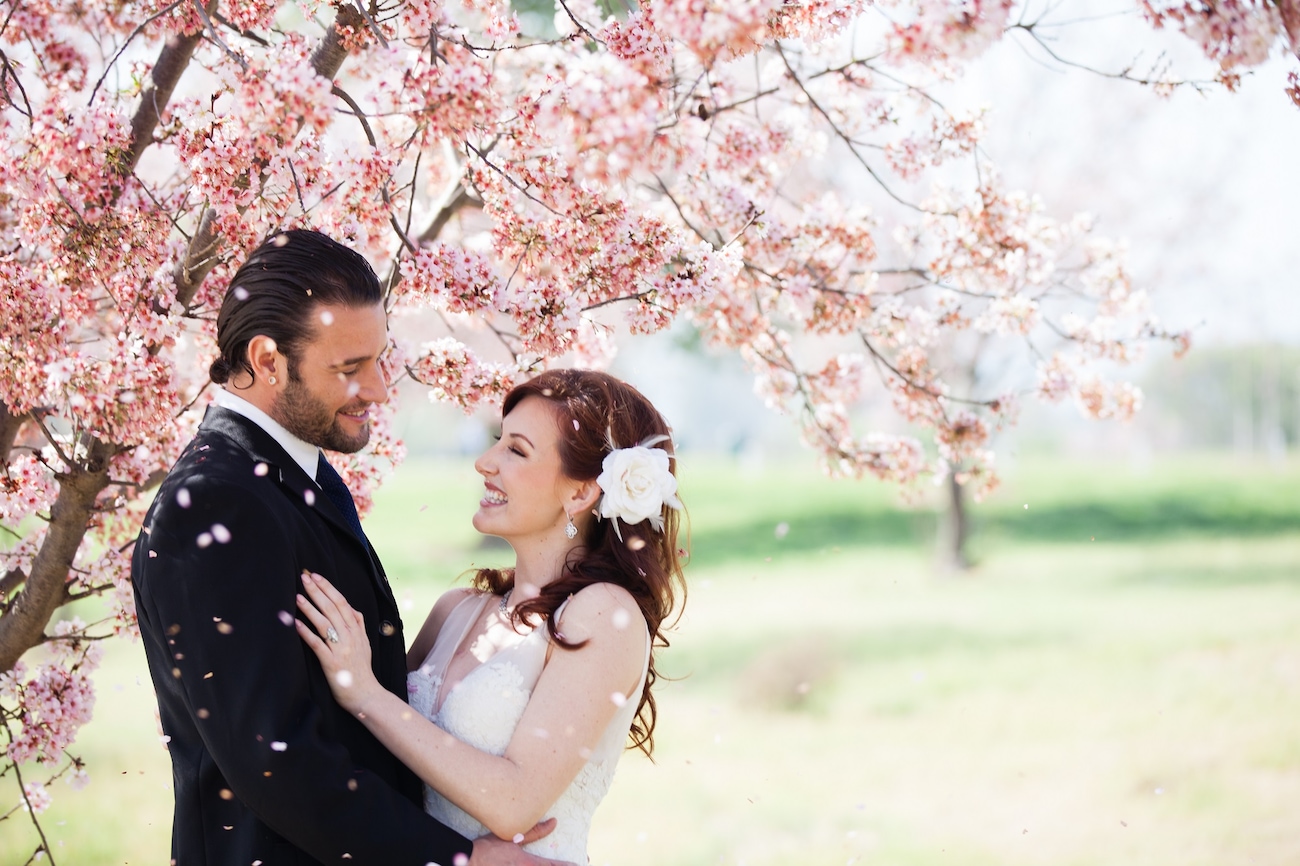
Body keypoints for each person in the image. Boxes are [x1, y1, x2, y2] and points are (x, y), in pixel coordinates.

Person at [131, 229, 568, 866]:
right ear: (267, 359)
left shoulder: (291, 474)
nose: (381, 389)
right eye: (349, 369)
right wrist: (457, 861)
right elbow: (275, 757)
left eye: (379, 358)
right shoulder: (215, 501)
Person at [295, 368, 687, 863]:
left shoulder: (605, 614)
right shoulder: (454, 610)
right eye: (497, 442)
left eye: (516, 450)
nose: (485, 463)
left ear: (581, 492)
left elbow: (514, 805)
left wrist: (365, 693)